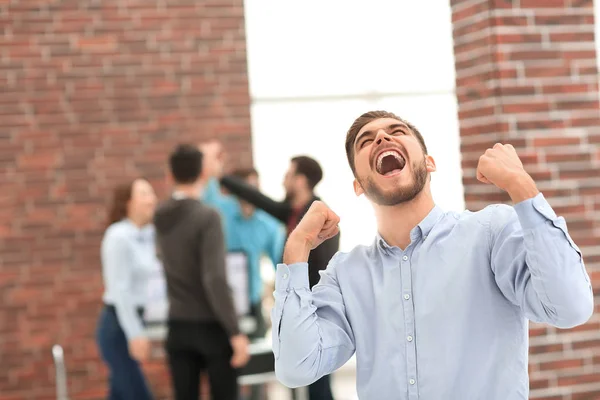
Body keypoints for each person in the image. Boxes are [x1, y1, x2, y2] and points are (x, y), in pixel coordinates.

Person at [272, 110, 594, 399]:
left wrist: (522, 185)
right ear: (359, 186)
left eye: (396, 131)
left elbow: (570, 306)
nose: (382, 137)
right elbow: (297, 366)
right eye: (366, 141)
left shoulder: (490, 232)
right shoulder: (346, 273)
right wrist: (297, 248)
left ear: (429, 163)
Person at [201, 144, 339, 400]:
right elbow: (255, 198)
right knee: (303, 375)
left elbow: (322, 270)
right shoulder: (293, 212)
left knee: (318, 380)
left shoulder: (318, 213)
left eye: (288, 175)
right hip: (299, 308)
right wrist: (219, 176)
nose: (283, 180)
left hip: (314, 308)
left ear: (301, 181)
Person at [153, 144, 249, 400]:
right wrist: (235, 331)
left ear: (169, 176)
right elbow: (214, 278)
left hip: (178, 327)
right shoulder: (208, 217)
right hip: (212, 329)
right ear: (203, 175)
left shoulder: (160, 215)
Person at [201, 165, 285, 339]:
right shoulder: (220, 211)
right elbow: (206, 198)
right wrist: (211, 167)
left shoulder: (267, 223)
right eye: (248, 188)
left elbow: (280, 263)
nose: (253, 193)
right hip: (219, 302)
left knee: (257, 358)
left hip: (251, 302)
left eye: (256, 188)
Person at [96, 178, 158, 400]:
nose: (152, 199)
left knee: (120, 394)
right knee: (138, 394)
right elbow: (119, 289)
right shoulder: (118, 236)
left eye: (152, 193)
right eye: (144, 194)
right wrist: (135, 334)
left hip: (135, 319)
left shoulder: (147, 234)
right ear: (127, 202)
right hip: (118, 327)